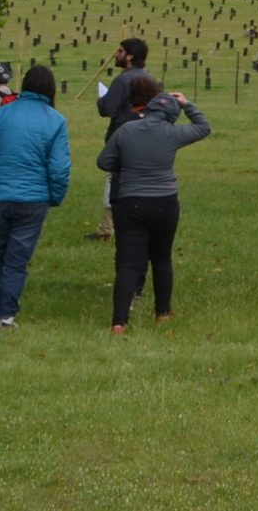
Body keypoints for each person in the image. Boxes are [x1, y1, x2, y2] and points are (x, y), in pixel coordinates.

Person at [97, 74, 211, 334]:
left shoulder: (126, 130)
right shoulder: (172, 133)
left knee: (128, 263)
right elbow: (204, 127)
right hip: (165, 202)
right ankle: (162, 314)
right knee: (161, 258)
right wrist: (187, 104)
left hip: (130, 201)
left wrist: (125, 165)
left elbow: (103, 162)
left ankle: (119, 321)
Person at [0, 64, 72, 329]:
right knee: (17, 259)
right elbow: (59, 167)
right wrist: (55, 196)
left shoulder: (0, 115)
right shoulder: (55, 120)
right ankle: (6, 315)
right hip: (32, 199)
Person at [94, 36, 152, 240]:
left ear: (129, 56)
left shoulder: (122, 80)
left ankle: (108, 228)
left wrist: (101, 100)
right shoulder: (150, 78)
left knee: (115, 180)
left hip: (122, 138)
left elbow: (108, 109)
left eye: (120, 51)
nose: (116, 55)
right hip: (147, 139)